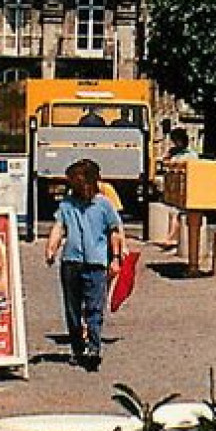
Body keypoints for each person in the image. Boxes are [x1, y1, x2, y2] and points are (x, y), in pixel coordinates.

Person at [44, 158, 124, 371]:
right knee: (72, 309)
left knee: (94, 308)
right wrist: (51, 249)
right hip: (71, 261)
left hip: (96, 262)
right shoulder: (67, 205)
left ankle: (94, 348)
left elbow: (114, 232)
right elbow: (59, 227)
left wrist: (115, 258)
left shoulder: (104, 205)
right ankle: (77, 348)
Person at [158, 128, 194, 250]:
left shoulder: (190, 154)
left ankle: (171, 238)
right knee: (175, 213)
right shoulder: (173, 152)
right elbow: (165, 162)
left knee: (179, 214)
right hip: (174, 187)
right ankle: (172, 238)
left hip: (185, 187)